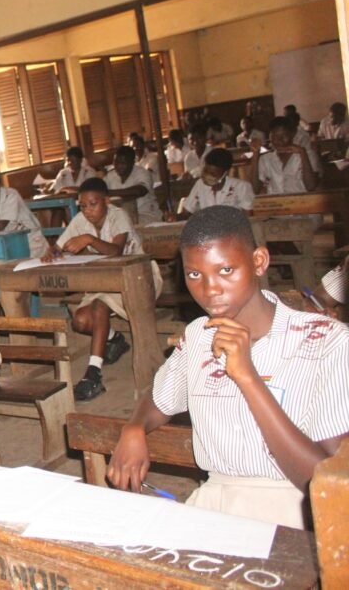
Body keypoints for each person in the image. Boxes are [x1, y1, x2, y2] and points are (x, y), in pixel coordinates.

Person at [106, 206, 349, 529]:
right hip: (215, 502)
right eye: (195, 275)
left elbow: (328, 480)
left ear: (259, 262)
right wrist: (134, 427)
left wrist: (247, 376)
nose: (210, 290)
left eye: (226, 270)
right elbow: (159, 400)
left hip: (299, 511)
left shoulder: (326, 341)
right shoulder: (197, 335)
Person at [43, 178, 161, 401]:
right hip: (105, 281)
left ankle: (93, 373)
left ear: (106, 201)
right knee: (80, 321)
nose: (87, 211)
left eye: (93, 204)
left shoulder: (118, 216)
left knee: (99, 306)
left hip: (137, 278)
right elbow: (59, 246)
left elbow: (116, 250)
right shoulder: (80, 220)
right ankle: (115, 339)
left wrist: (88, 239)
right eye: (83, 206)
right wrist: (53, 252)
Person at [174, 148, 254, 218]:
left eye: (213, 174)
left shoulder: (241, 187)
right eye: (206, 171)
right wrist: (174, 217)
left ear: (225, 173)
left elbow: (248, 217)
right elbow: (187, 212)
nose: (207, 176)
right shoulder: (200, 184)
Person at [252, 117, 318, 195]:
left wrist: (303, 154)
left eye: (284, 136)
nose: (279, 140)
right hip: (276, 204)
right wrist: (255, 155)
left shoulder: (308, 154)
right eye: (275, 137)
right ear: (270, 137)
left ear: (292, 135)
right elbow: (255, 190)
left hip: (301, 203)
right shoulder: (266, 159)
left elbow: (310, 186)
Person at [104, 146, 162, 225]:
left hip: (146, 215)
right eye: (116, 162)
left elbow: (139, 191)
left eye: (123, 163)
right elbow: (100, 189)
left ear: (132, 162)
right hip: (122, 218)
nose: (119, 166)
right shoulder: (110, 176)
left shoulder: (142, 173)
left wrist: (110, 193)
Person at [283, 105, 322, 173]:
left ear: (297, 123)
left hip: (308, 165)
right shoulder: (286, 134)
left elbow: (308, 154)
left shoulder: (304, 136)